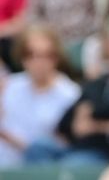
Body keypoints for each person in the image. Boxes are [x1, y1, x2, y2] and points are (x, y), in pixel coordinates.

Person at [34, 11, 109, 166]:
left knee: (74, 164)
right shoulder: (98, 82)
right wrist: (80, 124)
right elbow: (67, 123)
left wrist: (96, 125)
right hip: (78, 148)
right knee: (39, 147)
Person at [0, 26, 80, 166]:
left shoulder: (70, 94)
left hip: (41, 169)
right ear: (22, 58)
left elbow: (61, 145)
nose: (38, 62)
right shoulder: (10, 86)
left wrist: (12, 139)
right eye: (30, 54)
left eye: (47, 55)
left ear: (56, 58)